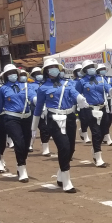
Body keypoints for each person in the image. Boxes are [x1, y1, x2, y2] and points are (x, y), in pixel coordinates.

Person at [33, 58, 77, 192]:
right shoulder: (43, 88)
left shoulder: (68, 84)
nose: (54, 69)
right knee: (63, 146)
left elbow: (75, 95)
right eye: (50, 67)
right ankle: (67, 180)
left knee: (71, 148)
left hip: (69, 116)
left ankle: (60, 174)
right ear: (46, 71)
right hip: (54, 118)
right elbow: (38, 108)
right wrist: (33, 128)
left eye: (55, 67)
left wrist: (81, 99)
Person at [0, 64, 34, 182]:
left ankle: (21, 163)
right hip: (11, 118)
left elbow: (32, 96)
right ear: (5, 76)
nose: (12, 75)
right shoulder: (3, 89)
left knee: (26, 144)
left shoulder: (25, 85)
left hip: (27, 117)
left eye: (14, 72)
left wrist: (37, 101)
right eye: (9, 73)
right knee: (19, 142)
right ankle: (22, 167)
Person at [76, 60, 110, 168]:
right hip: (90, 109)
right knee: (96, 132)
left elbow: (107, 88)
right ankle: (98, 157)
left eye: (92, 66)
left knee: (104, 131)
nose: (91, 68)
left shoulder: (101, 79)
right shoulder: (82, 81)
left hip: (102, 107)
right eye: (89, 67)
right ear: (85, 70)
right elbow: (75, 93)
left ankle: (95, 149)